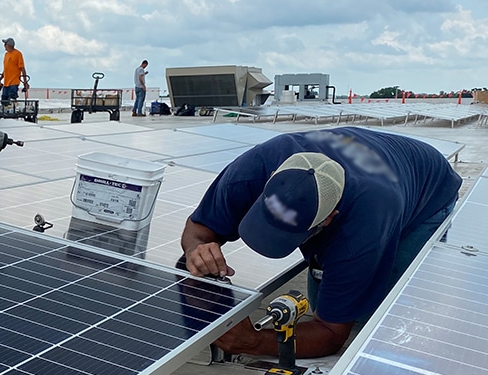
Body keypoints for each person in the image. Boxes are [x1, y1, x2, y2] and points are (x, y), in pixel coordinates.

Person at [181, 127, 461, 358]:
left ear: (328, 220)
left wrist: (252, 342)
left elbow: (331, 334)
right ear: (267, 184)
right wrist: (197, 248)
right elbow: (197, 227)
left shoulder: (365, 225)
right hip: (376, 159)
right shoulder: (253, 168)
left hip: (429, 191)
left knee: (367, 320)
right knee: (329, 301)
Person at [0, 37, 26, 106]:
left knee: (12, 98)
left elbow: (22, 68)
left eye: (5, 44)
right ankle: (7, 112)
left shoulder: (18, 54)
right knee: (4, 100)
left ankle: (14, 109)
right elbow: (6, 69)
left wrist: (25, 82)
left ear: (9, 45)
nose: (4, 46)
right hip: (6, 83)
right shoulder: (6, 55)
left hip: (14, 82)